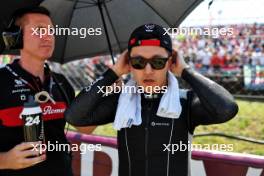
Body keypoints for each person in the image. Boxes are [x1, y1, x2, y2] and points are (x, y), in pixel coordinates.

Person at [65, 24, 238, 176]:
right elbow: (75, 116)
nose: (148, 70)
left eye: (157, 62)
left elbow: (227, 108)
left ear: (171, 62)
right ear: (129, 64)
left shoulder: (185, 102)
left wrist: (186, 71)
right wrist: (112, 73)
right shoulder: (121, 101)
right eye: (138, 62)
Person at [0, 6, 95, 176]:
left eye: (51, 31)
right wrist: (5, 160)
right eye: (39, 30)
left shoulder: (60, 82)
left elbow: (84, 129)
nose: (48, 36)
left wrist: (106, 89)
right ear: (17, 36)